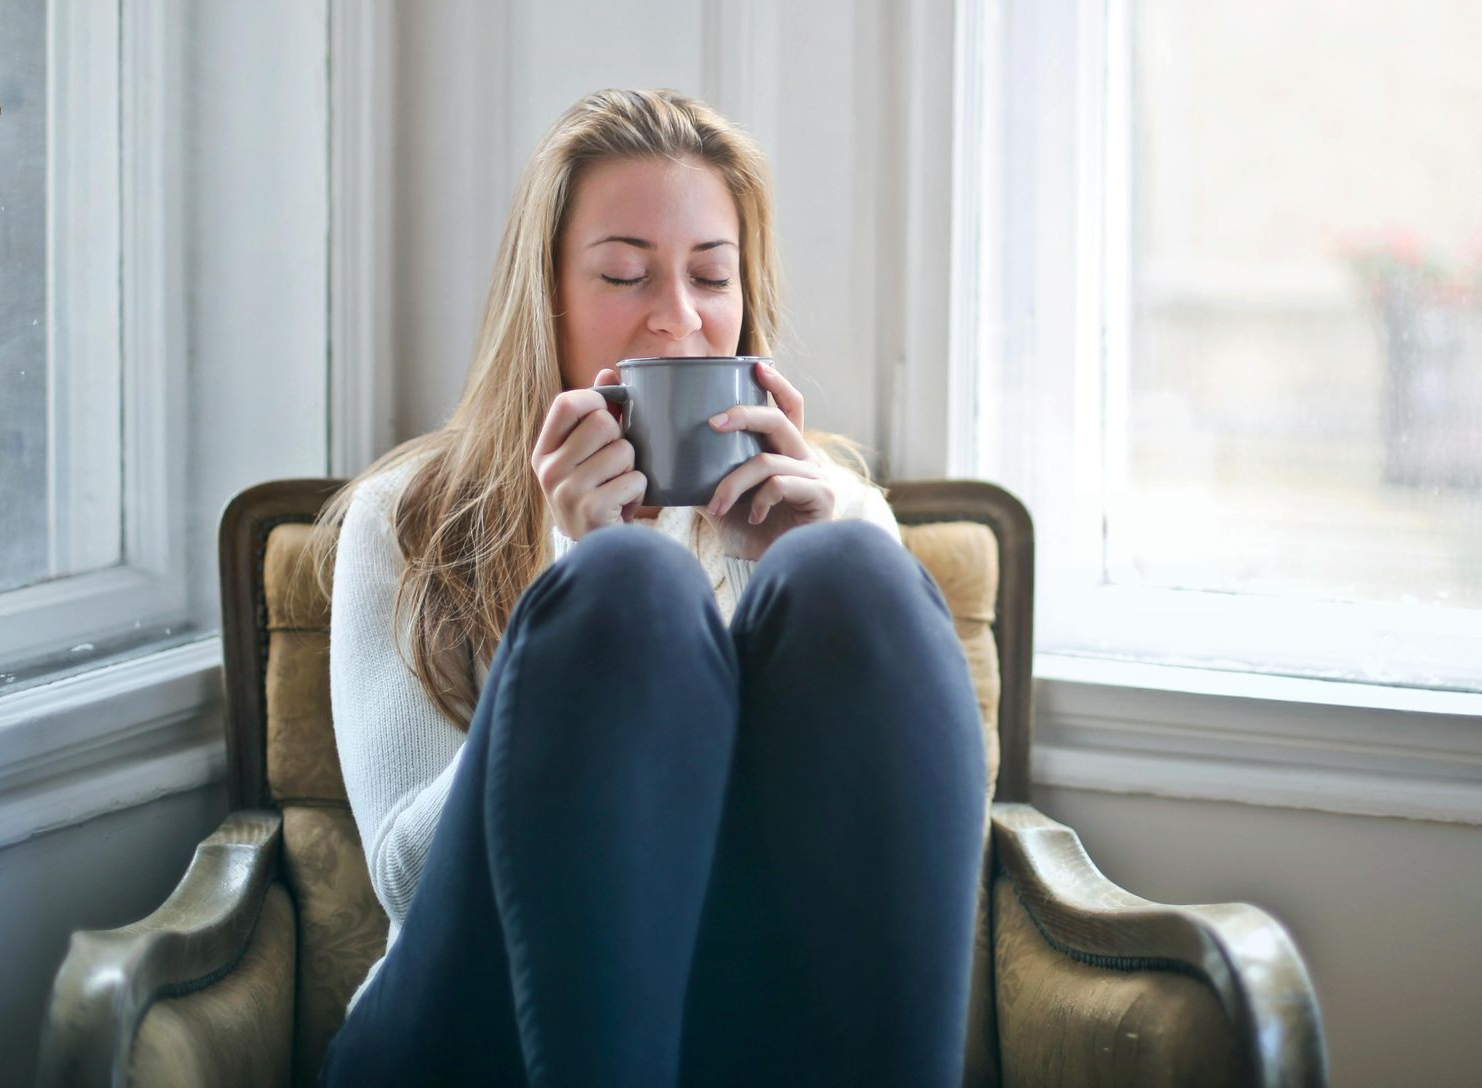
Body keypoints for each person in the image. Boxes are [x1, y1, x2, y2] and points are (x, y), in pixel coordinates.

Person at [310, 88, 988, 1086]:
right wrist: (571, 573)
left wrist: (778, 575)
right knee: (628, 584)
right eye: (625, 275)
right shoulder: (407, 515)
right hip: (468, 1017)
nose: (678, 320)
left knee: (847, 569)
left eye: (713, 276)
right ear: (546, 295)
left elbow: (912, 868)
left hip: (742, 1018)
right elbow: (409, 879)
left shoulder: (833, 509)